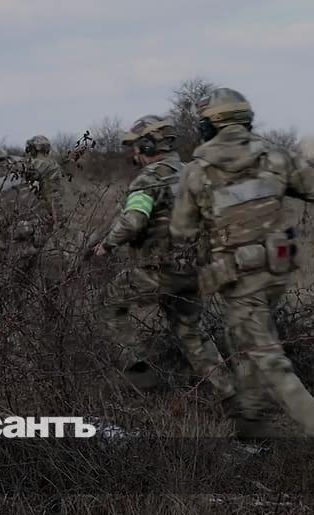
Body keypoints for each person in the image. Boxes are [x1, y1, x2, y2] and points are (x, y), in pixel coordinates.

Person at [169, 88, 314, 489]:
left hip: (240, 276)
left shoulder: (198, 170)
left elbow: (181, 230)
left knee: (267, 357)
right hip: (278, 269)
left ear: (212, 124)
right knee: (243, 339)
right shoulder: (275, 157)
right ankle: (251, 424)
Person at [92, 115, 234, 398]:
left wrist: (106, 246)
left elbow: (133, 222)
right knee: (192, 333)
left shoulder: (149, 179)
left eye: (136, 146)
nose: (134, 153)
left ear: (147, 145)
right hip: (194, 271)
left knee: (107, 304)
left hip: (158, 271)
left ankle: (142, 377)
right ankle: (229, 394)